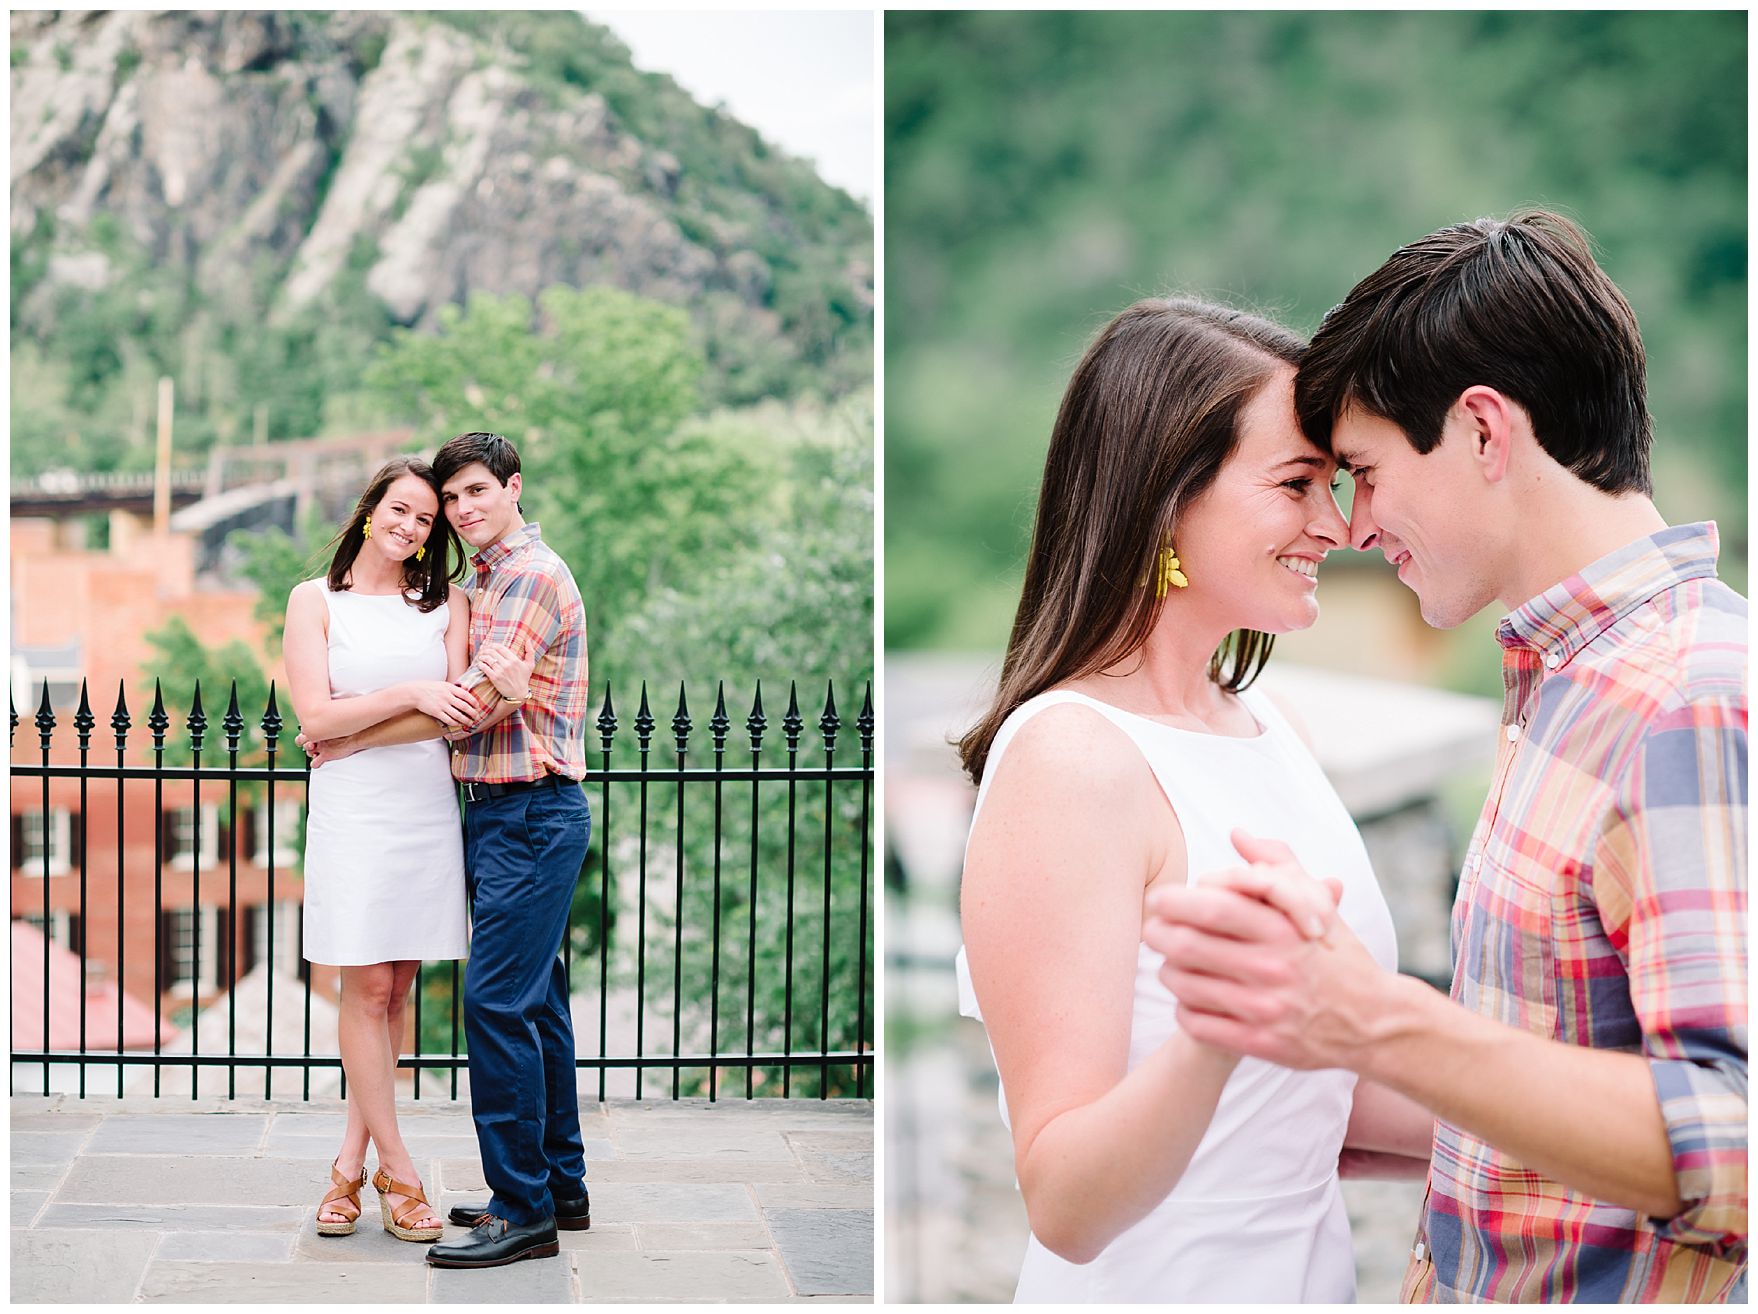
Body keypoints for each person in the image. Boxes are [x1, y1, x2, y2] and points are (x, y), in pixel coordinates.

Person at [1147, 212, 1747, 1301]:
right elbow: (1577, 1083)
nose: (1356, 525)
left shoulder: (1689, 699)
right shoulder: (1570, 685)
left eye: (1366, 471)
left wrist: (1375, 1019)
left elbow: (1738, 1146)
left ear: (1482, 432)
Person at [955, 298, 1425, 1302]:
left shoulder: (1269, 725)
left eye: (1336, 485)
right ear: (1169, 495)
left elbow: (1313, 1100)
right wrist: (1224, 1022)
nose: (1336, 526)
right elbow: (1066, 1200)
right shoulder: (1072, 760)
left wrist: (1609, 1124)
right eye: (1297, 484)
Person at [304, 432, 593, 1270]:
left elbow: (474, 705)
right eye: (448, 501)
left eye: (474, 494)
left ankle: (520, 1211)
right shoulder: (486, 582)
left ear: (512, 488)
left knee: (498, 1006)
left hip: (530, 811)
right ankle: (557, 1188)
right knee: (536, 1006)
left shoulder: (530, 577)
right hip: (499, 813)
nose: (462, 512)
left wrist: (357, 739)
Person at [285, 455, 530, 1242]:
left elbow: (458, 713)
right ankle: (403, 1174)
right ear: (367, 512)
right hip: (354, 814)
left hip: (423, 808)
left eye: (424, 519)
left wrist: (369, 731)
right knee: (364, 988)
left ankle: (347, 1168)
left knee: (397, 989)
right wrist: (405, 694)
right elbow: (316, 719)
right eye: (399, 510)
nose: (410, 526)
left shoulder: (447, 605)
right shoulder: (314, 602)